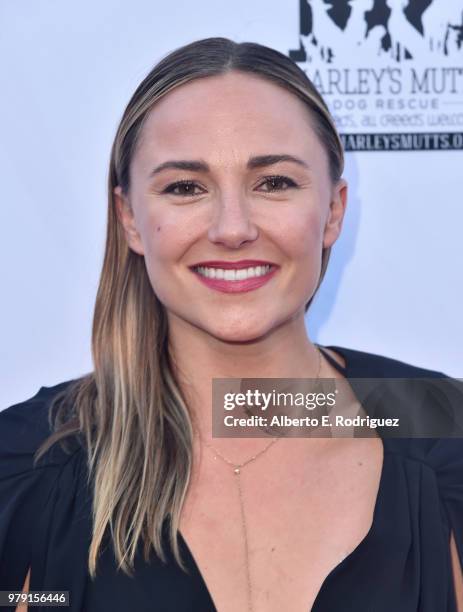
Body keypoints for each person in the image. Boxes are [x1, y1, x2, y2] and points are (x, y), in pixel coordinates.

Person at [0, 36, 462, 612]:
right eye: (186, 188)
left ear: (334, 211)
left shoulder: (440, 426)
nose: (233, 228)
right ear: (130, 220)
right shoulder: (29, 462)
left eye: (274, 183)